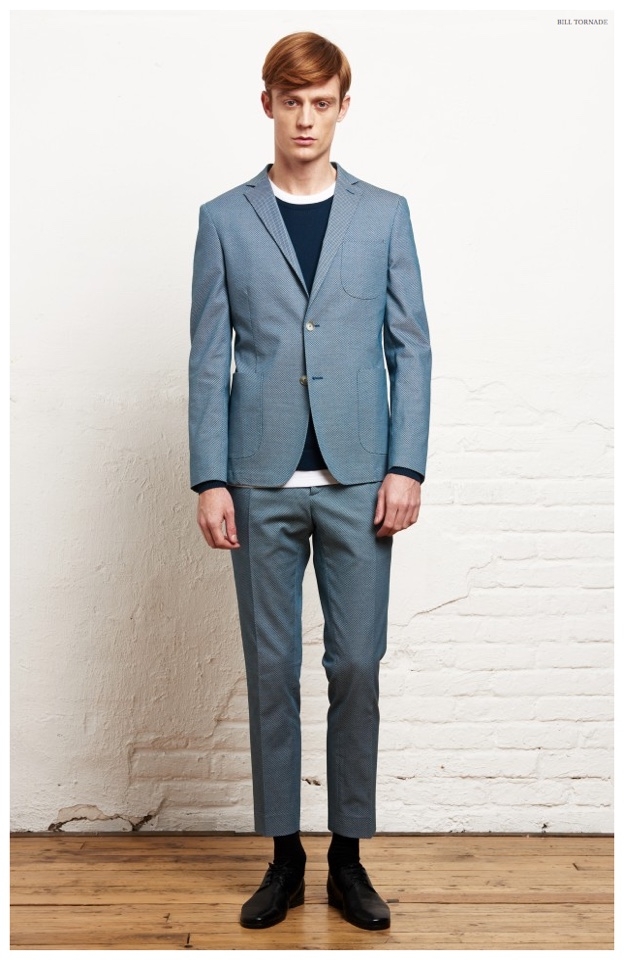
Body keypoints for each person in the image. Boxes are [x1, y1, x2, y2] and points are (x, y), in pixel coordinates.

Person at [188, 31, 432, 932]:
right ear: (268, 104)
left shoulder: (385, 214)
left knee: (356, 665)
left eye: (320, 102)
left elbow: (412, 347)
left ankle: (349, 859)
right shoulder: (224, 218)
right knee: (271, 671)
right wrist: (210, 477)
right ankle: (284, 858)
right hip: (258, 480)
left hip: (361, 480)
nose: (305, 118)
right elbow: (207, 357)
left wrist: (406, 464)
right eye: (291, 101)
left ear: (342, 108)